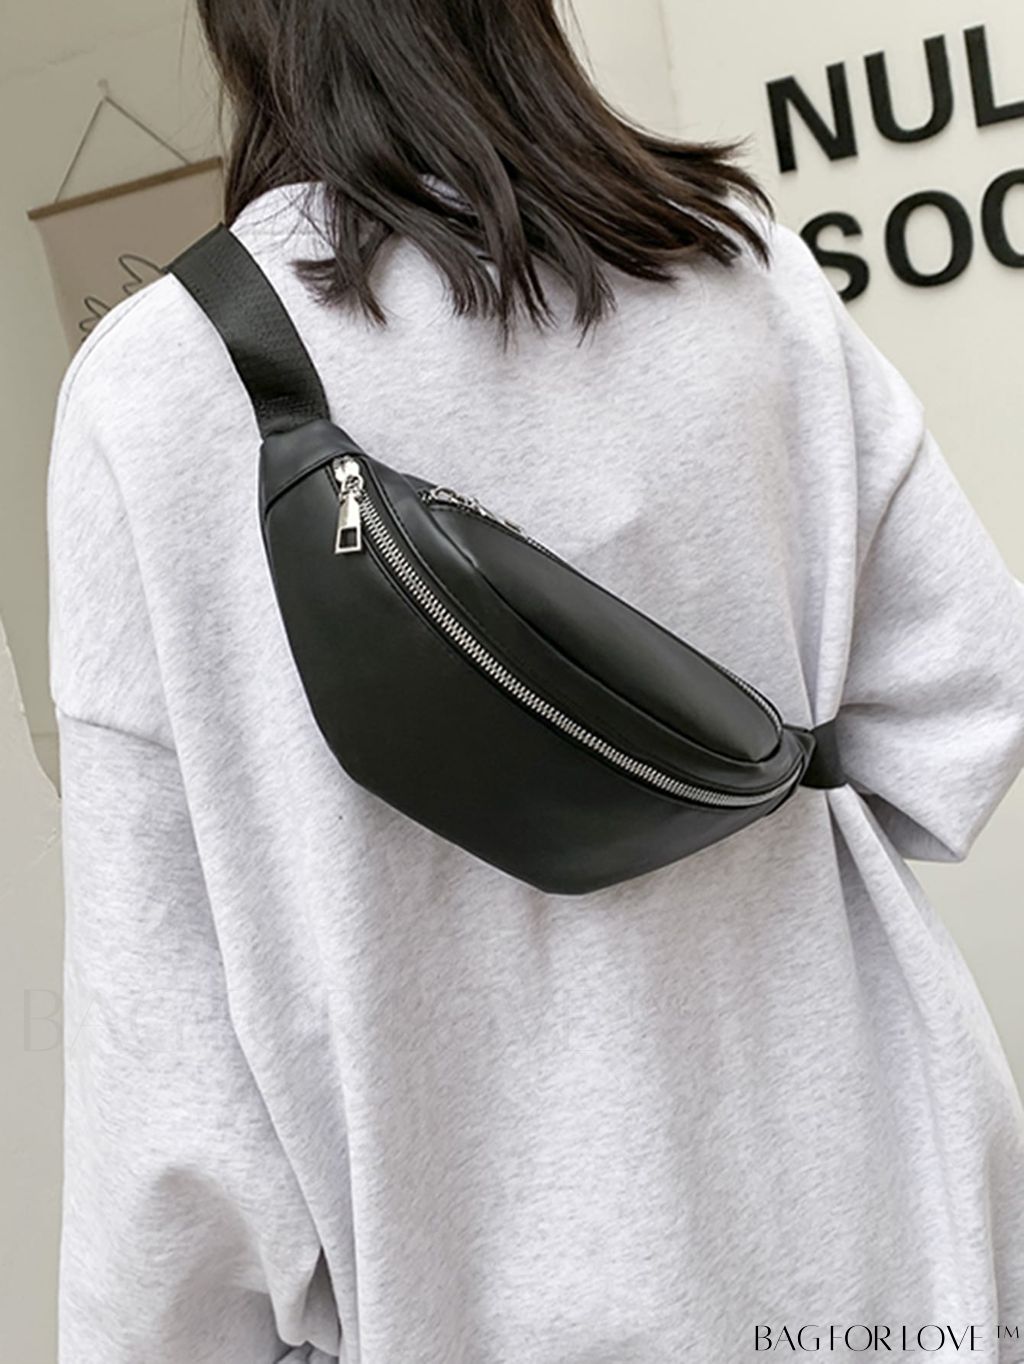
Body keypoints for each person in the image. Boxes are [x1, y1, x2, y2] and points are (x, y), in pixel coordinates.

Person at [47, 2, 1024, 1361]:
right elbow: (963, 707)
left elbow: (170, 1113)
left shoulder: (158, 389)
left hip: (483, 1293)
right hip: (882, 1234)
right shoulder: (736, 269)